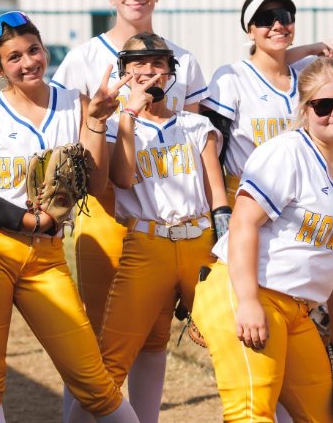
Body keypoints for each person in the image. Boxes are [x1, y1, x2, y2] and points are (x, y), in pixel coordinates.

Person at [0, 11, 135, 422]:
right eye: (13, 57)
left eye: (33, 49)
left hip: (46, 258)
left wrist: (98, 121)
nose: (28, 62)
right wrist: (32, 222)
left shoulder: (75, 102)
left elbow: (99, 180)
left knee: (95, 381)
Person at [48, 0, 209, 396]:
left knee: (155, 339)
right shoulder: (84, 57)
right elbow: (67, 133)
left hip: (164, 220)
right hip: (102, 212)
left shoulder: (183, 60)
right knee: (98, 341)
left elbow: (193, 142)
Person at [191, 57, 333, 422]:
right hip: (247, 291)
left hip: (297, 309)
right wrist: (246, 302)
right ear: (306, 110)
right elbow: (243, 224)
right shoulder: (287, 152)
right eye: (324, 105)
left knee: (324, 416)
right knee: (252, 413)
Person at [89, 33, 229, 423]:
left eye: (158, 63)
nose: (149, 71)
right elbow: (123, 178)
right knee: (110, 362)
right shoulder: (117, 126)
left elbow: (217, 194)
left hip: (199, 241)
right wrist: (129, 115)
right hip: (146, 245)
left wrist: (223, 257)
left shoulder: (195, 124)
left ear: (171, 72)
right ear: (123, 73)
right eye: (138, 64)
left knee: (234, 344)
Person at [200, 0, 317, 201]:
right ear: (250, 31)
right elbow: (212, 151)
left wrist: (314, 48)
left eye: (285, 17)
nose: (278, 26)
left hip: (302, 198)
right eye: (265, 20)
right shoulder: (232, 76)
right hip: (247, 195)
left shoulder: (307, 78)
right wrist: (218, 206)